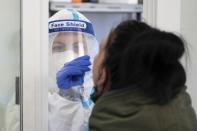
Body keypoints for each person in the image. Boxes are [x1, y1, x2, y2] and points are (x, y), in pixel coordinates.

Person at [89, 20, 197, 131]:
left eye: (99, 51)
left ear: (103, 72)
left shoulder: (108, 122)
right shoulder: (179, 108)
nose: (94, 59)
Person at [48, 9, 98, 131]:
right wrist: (66, 97)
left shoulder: (100, 96)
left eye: (78, 47)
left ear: (90, 51)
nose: (69, 55)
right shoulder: (28, 97)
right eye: (59, 48)